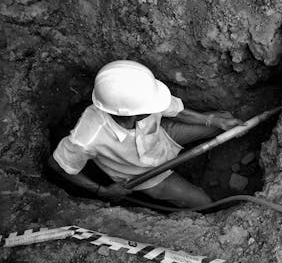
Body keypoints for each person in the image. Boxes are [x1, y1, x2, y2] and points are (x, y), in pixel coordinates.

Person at [48, 60, 243, 207]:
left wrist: (215, 121)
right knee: (203, 201)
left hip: (161, 138)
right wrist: (102, 190)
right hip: (143, 175)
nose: (156, 105)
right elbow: (57, 165)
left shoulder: (141, 94)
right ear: (129, 114)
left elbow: (177, 111)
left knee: (224, 120)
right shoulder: (89, 135)